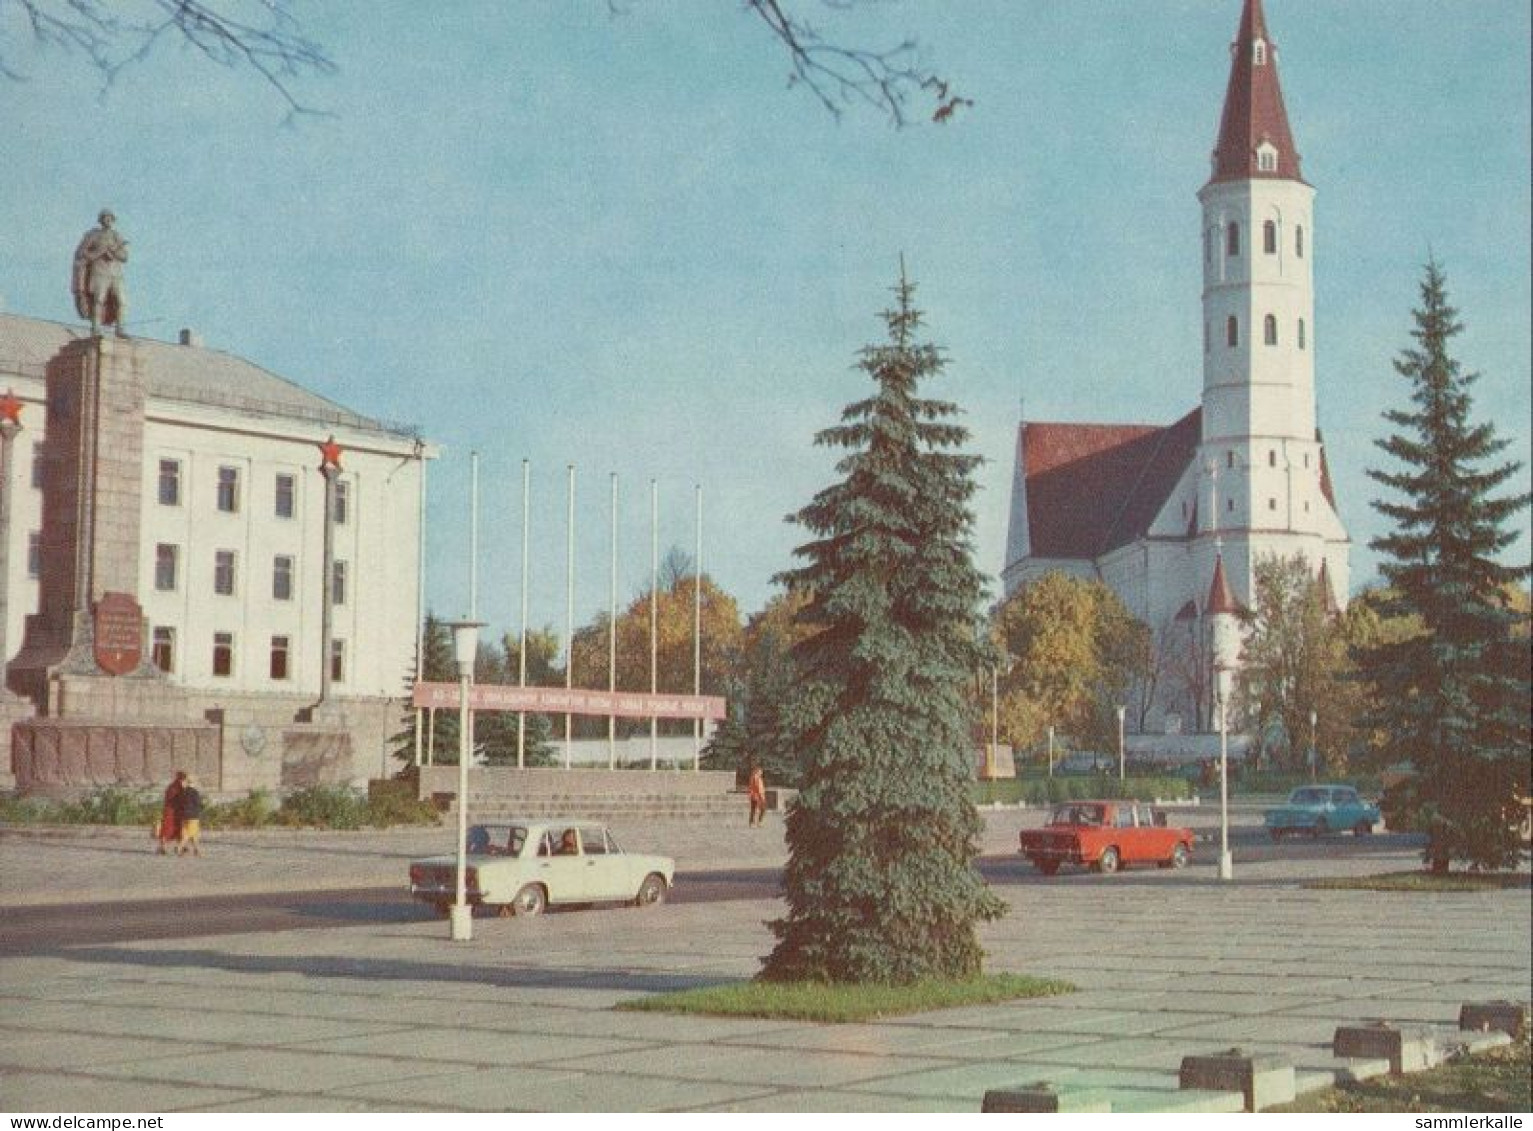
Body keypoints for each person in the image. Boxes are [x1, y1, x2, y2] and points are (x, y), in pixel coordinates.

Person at [71, 210, 129, 337]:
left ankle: (120, 329)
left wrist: (113, 253)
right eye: (105, 218)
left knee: (121, 301)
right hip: (99, 273)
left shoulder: (116, 236)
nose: (108, 220)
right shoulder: (93, 235)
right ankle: (96, 328)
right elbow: (81, 253)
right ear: (101, 220)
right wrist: (98, 253)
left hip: (116, 274)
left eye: (110, 218)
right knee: (98, 300)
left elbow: (125, 256)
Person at [155, 771, 185, 855]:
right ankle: (164, 847)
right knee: (168, 829)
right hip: (172, 812)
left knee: (174, 829)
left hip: (173, 811)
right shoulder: (175, 788)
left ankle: (177, 847)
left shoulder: (173, 787)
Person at [175, 776, 203, 857]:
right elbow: (198, 803)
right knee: (190, 833)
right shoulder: (195, 792)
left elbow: (179, 803)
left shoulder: (183, 792)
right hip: (193, 816)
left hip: (184, 816)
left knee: (190, 834)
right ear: (193, 783)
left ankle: (197, 851)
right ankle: (179, 847)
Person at [747, 762, 767, 827]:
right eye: (760, 771)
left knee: (755, 809)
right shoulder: (756, 778)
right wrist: (761, 796)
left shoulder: (756, 778)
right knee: (761, 809)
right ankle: (756, 822)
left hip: (755, 796)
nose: (761, 772)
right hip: (756, 796)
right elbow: (758, 788)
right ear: (757, 771)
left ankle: (754, 822)